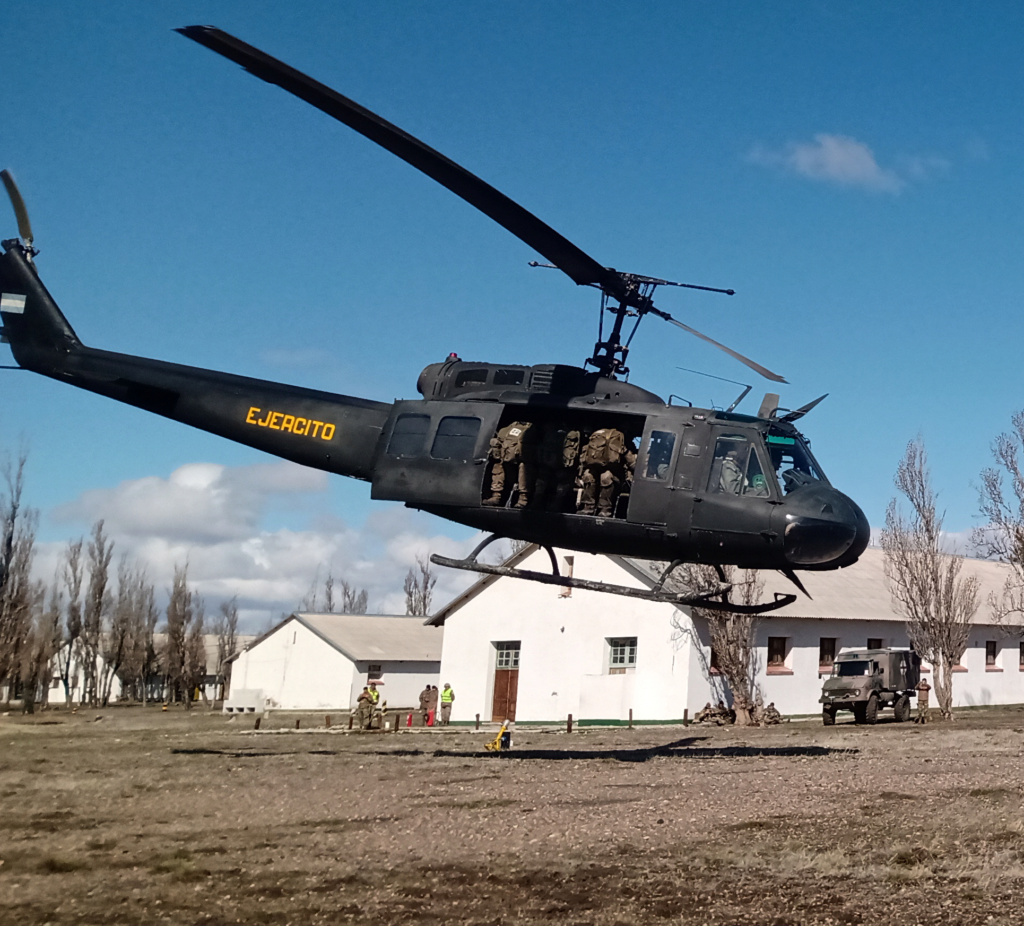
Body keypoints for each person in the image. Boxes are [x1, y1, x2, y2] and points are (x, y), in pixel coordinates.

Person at [577, 428, 636, 517]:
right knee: (602, 476)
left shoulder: (596, 437)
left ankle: (589, 507)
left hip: (607, 475)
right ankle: (604, 509)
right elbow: (632, 462)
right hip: (614, 476)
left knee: (592, 475)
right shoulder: (622, 442)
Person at [482, 421, 536, 508]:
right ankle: (496, 496)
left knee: (524, 471)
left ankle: (523, 499)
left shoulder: (532, 431)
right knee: (498, 466)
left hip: (522, 459)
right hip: (506, 458)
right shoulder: (507, 429)